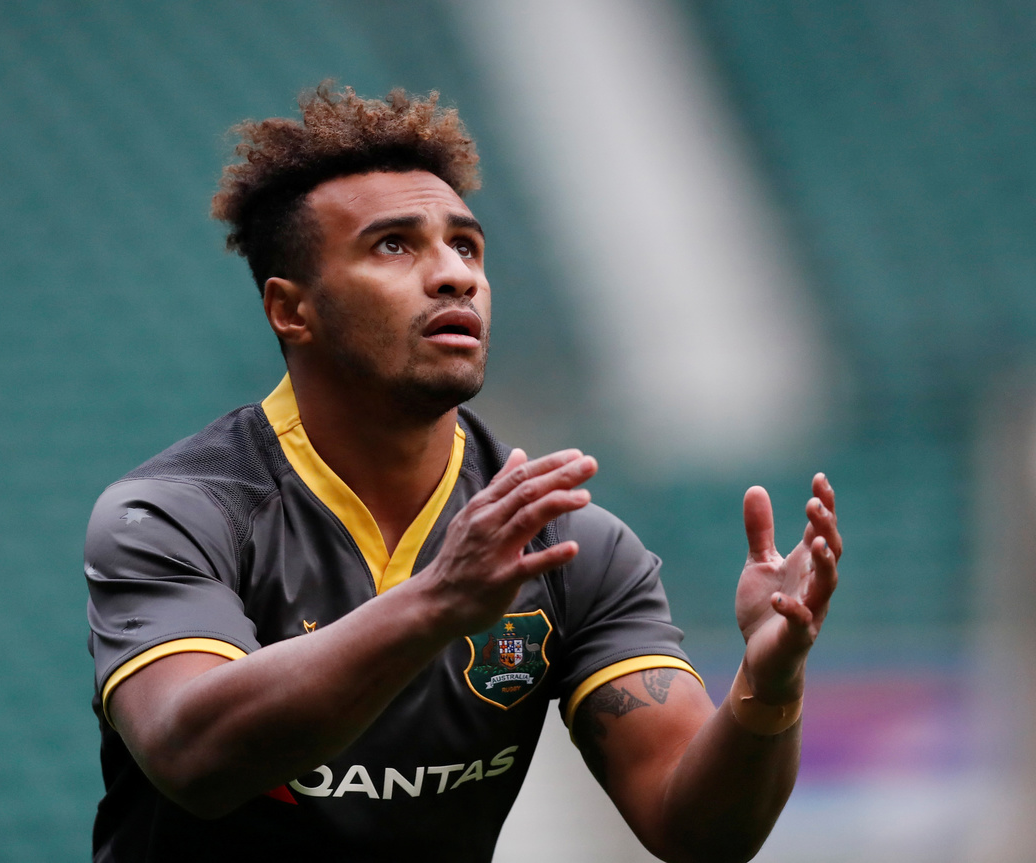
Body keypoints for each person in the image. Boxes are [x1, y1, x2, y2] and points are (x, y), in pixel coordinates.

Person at [84, 84, 842, 863]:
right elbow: (193, 758)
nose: (454, 275)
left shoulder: (574, 549)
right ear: (291, 310)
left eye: (467, 246)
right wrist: (438, 601)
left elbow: (696, 833)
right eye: (393, 246)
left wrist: (770, 684)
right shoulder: (174, 515)